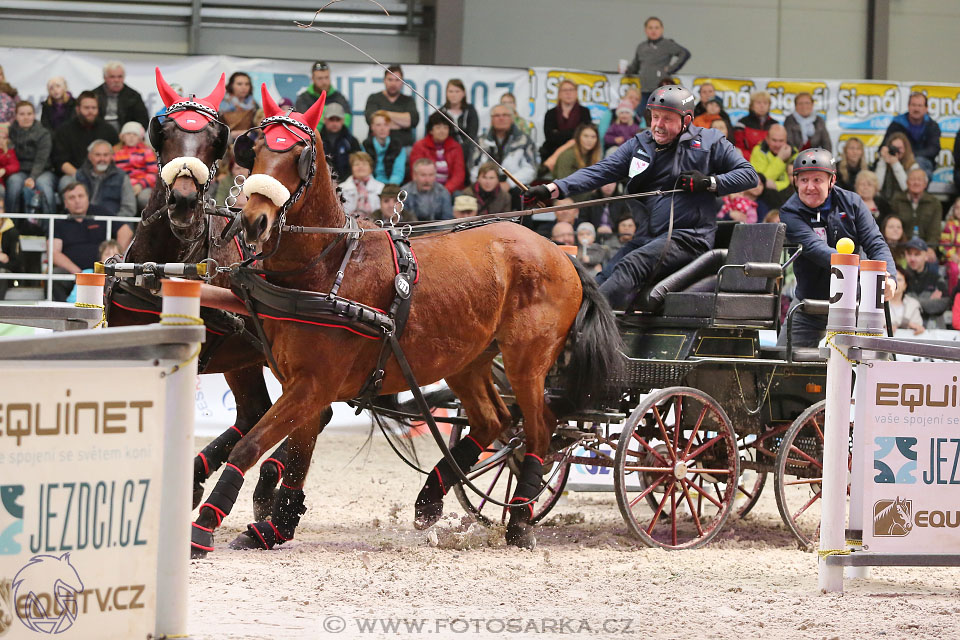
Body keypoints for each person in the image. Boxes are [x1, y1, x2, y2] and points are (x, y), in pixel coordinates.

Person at [526, 84, 758, 309]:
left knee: (631, 266)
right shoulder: (640, 143)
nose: (657, 125)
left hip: (689, 239)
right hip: (648, 236)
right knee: (605, 275)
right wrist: (552, 189)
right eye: (654, 117)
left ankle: (585, 330)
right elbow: (600, 171)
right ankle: (569, 325)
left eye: (666, 118)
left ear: (686, 120)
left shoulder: (710, 142)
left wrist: (709, 182)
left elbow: (749, 176)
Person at [778, 148, 896, 347]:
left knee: (868, 364)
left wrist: (890, 278)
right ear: (795, 181)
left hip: (855, 305)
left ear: (832, 181)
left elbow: (876, 243)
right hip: (810, 305)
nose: (810, 187)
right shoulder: (790, 212)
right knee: (781, 364)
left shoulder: (852, 203)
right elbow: (817, 250)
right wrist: (870, 275)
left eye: (817, 180)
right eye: (804, 180)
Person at [51, 182, 111, 301]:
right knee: (56, 274)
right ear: (65, 203)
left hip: (102, 271)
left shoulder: (102, 213)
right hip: (72, 273)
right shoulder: (58, 221)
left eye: (81, 196)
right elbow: (54, 253)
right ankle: (63, 313)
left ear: (88, 198)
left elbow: (125, 231)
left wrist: (114, 257)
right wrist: (80, 273)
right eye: (72, 198)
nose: (77, 201)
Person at [471, 104, 537, 208]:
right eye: (497, 115)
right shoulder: (481, 141)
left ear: (511, 119)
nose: (501, 118)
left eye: (505, 115)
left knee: (523, 196)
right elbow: (473, 168)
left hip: (514, 187)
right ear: (491, 119)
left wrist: (509, 184)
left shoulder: (524, 141)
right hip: (485, 186)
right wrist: (487, 182)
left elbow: (530, 169)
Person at [52, 90, 119, 191]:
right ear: (78, 109)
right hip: (74, 175)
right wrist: (80, 176)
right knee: (66, 183)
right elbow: (60, 161)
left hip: (104, 175)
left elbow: (116, 154)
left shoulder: (108, 130)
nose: (90, 111)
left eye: (94, 108)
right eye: (86, 108)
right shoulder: (64, 131)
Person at [624, 17, 691, 116]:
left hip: (661, 91)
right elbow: (636, 65)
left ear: (662, 29)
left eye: (656, 28)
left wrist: (671, 69)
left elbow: (685, 53)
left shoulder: (667, 44)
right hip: (644, 90)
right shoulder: (641, 47)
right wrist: (627, 70)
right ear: (646, 30)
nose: (653, 31)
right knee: (641, 116)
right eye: (650, 28)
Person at [7, 101, 56, 218]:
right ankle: (11, 227)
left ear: (34, 115)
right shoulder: (9, 133)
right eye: (22, 114)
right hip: (18, 171)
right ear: (16, 116)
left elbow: (41, 159)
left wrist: (32, 177)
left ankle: (51, 227)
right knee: (13, 183)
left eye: (29, 114)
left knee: (44, 185)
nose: (26, 117)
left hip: (43, 170)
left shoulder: (43, 133)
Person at [882, 92, 940, 177]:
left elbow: (934, 149)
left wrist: (911, 155)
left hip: (922, 162)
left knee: (918, 163)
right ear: (908, 107)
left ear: (926, 108)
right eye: (913, 105)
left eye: (920, 105)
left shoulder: (932, 126)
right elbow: (885, 145)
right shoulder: (896, 124)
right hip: (898, 160)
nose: (916, 109)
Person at [75, 139, 136, 218]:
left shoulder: (122, 176)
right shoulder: (79, 175)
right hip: (85, 223)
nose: (102, 159)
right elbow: (73, 205)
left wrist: (114, 224)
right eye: (98, 155)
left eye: (106, 155)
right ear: (89, 156)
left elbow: (129, 208)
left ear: (111, 157)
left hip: (113, 224)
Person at [540, 79, 592, 169]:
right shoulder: (550, 113)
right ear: (559, 94)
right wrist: (573, 133)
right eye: (565, 90)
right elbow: (550, 137)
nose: (568, 93)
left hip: (578, 150)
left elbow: (584, 135)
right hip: (552, 149)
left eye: (571, 90)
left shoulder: (584, 112)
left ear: (576, 93)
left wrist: (558, 133)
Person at [409, 111, 465, 194]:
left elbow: (458, 175)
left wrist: (444, 191)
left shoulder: (456, 147)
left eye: (445, 128)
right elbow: (416, 172)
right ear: (431, 130)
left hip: (449, 191)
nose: (442, 131)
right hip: (425, 187)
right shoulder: (419, 146)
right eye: (438, 127)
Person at [363, 65, 419, 148]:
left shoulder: (408, 100)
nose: (393, 84)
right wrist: (402, 123)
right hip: (377, 147)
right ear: (384, 80)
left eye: (397, 80)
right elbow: (371, 120)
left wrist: (383, 113)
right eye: (390, 79)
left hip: (404, 146)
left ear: (402, 82)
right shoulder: (374, 98)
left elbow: (413, 121)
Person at [890, 168, 941, 254]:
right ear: (907, 182)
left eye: (919, 180)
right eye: (913, 179)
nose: (916, 182)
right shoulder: (897, 200)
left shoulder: (934, 203)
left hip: (925, 248)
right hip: (901, 247)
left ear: (925, 184)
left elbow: (935, 230)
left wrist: (931, 249)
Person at [903, 236, 950, 327]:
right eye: (909, 254)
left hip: (934, 333)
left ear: (926, 256)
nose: (912, 258)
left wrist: (911, 303)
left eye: (917, 254)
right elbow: (898, 305)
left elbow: (943, 304)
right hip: (907, 329)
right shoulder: (901, 278)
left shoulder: (936, 278)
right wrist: (928, 302)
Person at [296, 61, 352, 132]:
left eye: (326, 77)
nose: (324, 82)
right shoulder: (303, 98)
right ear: (313, 79)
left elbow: (347, 118)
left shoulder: (339, 97)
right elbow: (304, 122)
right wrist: (331, 119)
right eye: (320, 78)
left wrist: (319, 119)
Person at [92, 61, 149, 131]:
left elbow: (143, 122)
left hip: (126, 137)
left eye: (120, 77)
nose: (116, 80)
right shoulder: (93, 95)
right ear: (104, 77)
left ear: (124, 77)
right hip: (99, 135)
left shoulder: (134, 96)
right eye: (112, 77)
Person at [113, 121, 157, 212]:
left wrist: (140, 185)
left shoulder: (147, 151)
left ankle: (147, 224)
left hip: (143, 186)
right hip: (121, 185)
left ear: (140, 138)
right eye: (128, 134)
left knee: (145, 199)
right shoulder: (115, 152)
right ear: (122, 137)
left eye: (135, 134)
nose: (131, 137)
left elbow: (154, 173)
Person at [553, 123, 601, 202]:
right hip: (565, 197)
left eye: (593, 137)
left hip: (584, 197)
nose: (589, 140)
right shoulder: (568, 155)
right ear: (578, 138)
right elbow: (563, 184)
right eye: (585, 136)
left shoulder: (593, 157)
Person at [439, 79, 479, 168]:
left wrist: (460, 149)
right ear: (446, 93)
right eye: (451, 91)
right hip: (447, 149)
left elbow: (473, 134)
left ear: (463, 93)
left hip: (468, 149)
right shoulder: (441, 112)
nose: (454, 95)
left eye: (457, 91)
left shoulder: (470, 110)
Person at [318, 103, 360, 183]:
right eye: (331, 119)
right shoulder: (316, 140)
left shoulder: (351, 141)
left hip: (348, 184)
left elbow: (357, 163)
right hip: (322, 183)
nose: (334, 123)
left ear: (343, 120)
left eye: (338, 119)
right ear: (324, 120)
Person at [363, 110, 407, 186]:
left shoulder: (398, 147)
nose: (382, 128)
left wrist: (388, 190)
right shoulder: (365, 146)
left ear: (389, 127)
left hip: (391, 188)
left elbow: (398, 173)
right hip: (371, 186)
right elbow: (364, 173)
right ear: (372, 127)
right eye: (378, 125)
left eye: (385, 125)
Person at [873, 131, 918, 202]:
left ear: (906, 149)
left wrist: (895, 164)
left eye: (900, 148)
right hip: (884, 203)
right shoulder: (882, 163)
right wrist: (882, 161)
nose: (897, 151)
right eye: (894, 148)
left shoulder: (913, 166)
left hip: (904, 203)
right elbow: (877, 187)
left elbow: (907, 188)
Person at [750, 124, 794, 194]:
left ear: (786, 140)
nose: (777, 144)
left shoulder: (794, 152)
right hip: (764, 194)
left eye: (781, 141)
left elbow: (796, 180)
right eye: (774, 140)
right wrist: (780, 159)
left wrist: (776, 185)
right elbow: (761, 182)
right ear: (767, 139)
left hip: (789, 193)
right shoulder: (758, 151)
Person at [734, 90, 778, 161]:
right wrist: (754, 160)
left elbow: (778, 147)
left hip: (770, 164)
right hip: (748, 163)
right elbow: (739, 148)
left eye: (765, 103)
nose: (762, 106)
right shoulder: (742, 123)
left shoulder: (775, 124)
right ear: (752, 105)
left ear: (769, 106)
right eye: (758, 103)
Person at [339, 152, 383, 217]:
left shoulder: (381, 187)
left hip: (376, 224)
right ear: (352, 168)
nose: (360, 167)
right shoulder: (340, 188)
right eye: (357, 164)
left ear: (371, 169)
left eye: (364, 164)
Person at [219, 72, 258, 139]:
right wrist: (229, 134)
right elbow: (216, 128)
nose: (244, 87)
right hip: (225, 143)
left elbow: (259, 127)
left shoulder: (255, 106)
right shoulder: (221, 105)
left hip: (249, 143)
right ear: (231, 85)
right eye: (239, 84)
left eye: (247, 84)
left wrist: (251, 134)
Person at [889, 266, 925, 335]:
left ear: (905, 285)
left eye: (899, 280)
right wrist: (907, 323)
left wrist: (894, 324)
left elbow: (917, 325)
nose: (896, 283)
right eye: (893, 279)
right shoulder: (878, 302)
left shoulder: (913, 304)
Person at [0, 200, 22, 299]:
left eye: (0, 208)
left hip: (6, 274)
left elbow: (16, 263)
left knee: (2, 273)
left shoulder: (12, 232)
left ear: (5, 211)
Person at [940, 200, 960, 294]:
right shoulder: (950, 225)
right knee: (954, 269)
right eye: (957, 208)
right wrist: (952, 255)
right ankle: (953, 295)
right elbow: (943, 245)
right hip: (952, 259)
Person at [0, 123, 19, 204]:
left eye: (3, 138)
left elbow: (15, 166)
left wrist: (5, 170)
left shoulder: (9, 152)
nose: (0, 140)